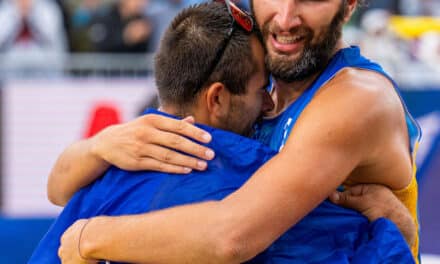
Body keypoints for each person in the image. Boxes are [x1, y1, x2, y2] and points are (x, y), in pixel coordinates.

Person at [31, 3, 412, 263]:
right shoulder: (262, 66)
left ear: (348, 5)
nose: (285, 16)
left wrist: (87, 236)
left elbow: (232, 236)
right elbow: (58, 189)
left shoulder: (355, 99)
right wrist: (101, 146)